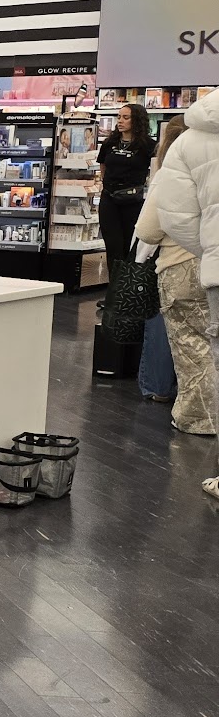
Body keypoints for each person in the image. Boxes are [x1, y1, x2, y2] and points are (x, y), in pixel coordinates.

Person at [147, 89, 219, 499]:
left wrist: (207, 250)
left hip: (201, 268)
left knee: (198, 348)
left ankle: (198, 419)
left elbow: (169, 217)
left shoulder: (189, 142)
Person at [138, 119, 212, 436]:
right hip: (213, 265)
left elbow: (147, 230)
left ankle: (198, 418)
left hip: (180, 267)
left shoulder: (173, 173)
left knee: (191, 348)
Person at [99, 102, 155, 262]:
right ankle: (114, 277)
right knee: (112, 245)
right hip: (109, 199)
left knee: (130, 245)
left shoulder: (148, 145)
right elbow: (103, 166)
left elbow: (155, 170)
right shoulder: (109, 143)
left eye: (125, 117)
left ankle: (127, 277)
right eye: (119, 117)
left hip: (133, 200)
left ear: (136, 120)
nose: (120, 121)